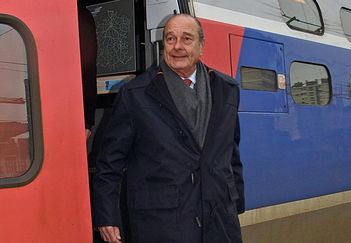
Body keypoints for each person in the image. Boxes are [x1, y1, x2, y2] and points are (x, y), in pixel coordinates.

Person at [92, 14, 244, 243]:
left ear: (201, 46)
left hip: (219, 220)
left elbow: (231, 152)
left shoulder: (227, 89)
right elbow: (109, 163)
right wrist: (107, 216)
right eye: (170, 39)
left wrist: (236, 201)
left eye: (186, 39)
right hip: (161, 223)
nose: (177, 47)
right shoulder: (135, 94)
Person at [78, 2, 97, 140]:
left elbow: (87, 69)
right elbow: (87, 69)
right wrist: (87, 122)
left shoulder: (80, 16)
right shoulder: (81, 16)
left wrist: (87, 122)